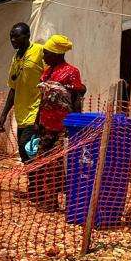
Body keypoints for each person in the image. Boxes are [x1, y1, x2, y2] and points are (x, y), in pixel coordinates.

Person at [29, 34, 85, 211]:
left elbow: (76, 99)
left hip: (63, 126)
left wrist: (75, 123)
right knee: (40, 161)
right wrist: (37, 120)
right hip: (46, 124)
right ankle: (43, 196)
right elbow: (43, 99)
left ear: (56, 54)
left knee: (54, 164)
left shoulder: (71, 72)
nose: (44, 57)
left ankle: (52, 201)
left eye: (46, 53)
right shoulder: (47, 72)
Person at [0, 22, 45, 163]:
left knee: (29, 151)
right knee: (25, 154)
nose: (13, 40)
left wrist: (43, 112)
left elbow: (50, 79)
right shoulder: (15, 58)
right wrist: (3, 115)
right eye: (11, 37)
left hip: (36, 113)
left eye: (16, 36)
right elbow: (13, 88)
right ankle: (33, 183)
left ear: (27, 36)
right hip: (21, 115)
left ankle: (35, 183)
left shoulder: (39, 51)